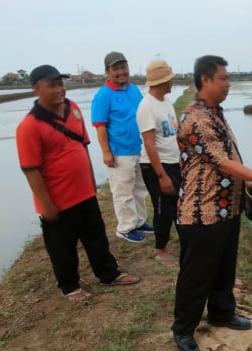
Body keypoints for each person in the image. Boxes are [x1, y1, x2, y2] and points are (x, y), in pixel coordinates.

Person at [171, 55, 252, 351]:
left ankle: (221, 313)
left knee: (225, 267)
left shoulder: (215, 113)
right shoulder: (195, 119)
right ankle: (183, 330)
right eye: (224, 78)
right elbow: (221, 161)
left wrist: (249, 184)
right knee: (196, 274)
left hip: (227, 207)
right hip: (201, 211)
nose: (229, 83)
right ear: (205, 80)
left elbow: (230, 155)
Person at [16, 64, 141, 302]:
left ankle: (108, 273)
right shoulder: (29, 126)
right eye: (51, 85)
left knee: (97, 237)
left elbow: (82, 145)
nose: (59, 89)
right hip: (57, 200)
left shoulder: (72, 108)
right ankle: (69, 286)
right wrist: (45, 204)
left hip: (84, 192)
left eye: (60, 83)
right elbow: (30, 169)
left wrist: (92, 181)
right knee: (62, 247)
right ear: (36, 89)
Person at [91, 51, 153, 243]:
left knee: (139, 188)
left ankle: (139, 221)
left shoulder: (133, 90)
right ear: (107, 72)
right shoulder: (103, 96)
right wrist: (106, 152)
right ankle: (126, 227)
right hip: (119, 152)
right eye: (115, 68)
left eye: (123, 67)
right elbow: (100, 126)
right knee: (123, 191)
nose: (121, 72)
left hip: (137, 148)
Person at [136, 60, 180, 267]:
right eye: (170, 78)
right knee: (163, 210)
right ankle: (160, 250)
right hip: (155, 166)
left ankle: (182, 241)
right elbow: (150, 144)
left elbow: (172, 133)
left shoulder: (166, 101)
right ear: (164, 81)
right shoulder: (147, 106)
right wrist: (161, 175)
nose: (173, 82)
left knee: (177, 205)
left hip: (172, 163)